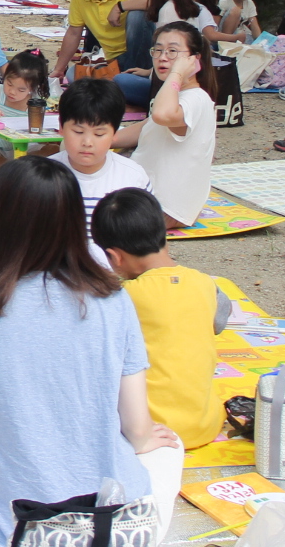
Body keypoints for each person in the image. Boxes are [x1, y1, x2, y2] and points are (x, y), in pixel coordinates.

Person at [0, 155, 178, 547]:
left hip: (21, 543)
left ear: (2, 220)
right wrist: (143, 441)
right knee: (166, 448)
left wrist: (10, 453)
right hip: (121, 537)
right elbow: (135, 423)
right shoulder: (113, 296)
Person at [91, 188, 223, 459]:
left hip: (150, 429)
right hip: (205, 424)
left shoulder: (123, 297)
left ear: (115, 257)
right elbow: (219, 322)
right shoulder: (205, 283)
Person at [117, 22, 219, 228]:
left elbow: (161, 116)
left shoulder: (196, 99)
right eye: (158, 50)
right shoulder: (177, 96)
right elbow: (144, 128)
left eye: (173, 51)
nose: (162, 57)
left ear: (194, 59)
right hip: (151, 200)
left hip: (163, 207)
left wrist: (177, 74)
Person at [111, 0, 216, 100]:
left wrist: (152, 75)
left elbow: (172, 60)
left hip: (173, 88)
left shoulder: (169, 10)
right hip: (179, 80)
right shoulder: (176, 4)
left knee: (120, 81)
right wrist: (148, 71)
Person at [58, 77, 152, 223]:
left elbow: (146, 238)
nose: (87, 142)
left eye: (99, 134)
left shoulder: (133, 178)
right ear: (61, 127)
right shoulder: (43, 177)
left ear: (114, 132)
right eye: (78, 131)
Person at [0, 50, 58, 171]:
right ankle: (12, 168)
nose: (12, 92)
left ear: (32, 88)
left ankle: (10, 166)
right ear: (5, 75)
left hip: (24, 147)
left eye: (21, 90)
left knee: (55, 149)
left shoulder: (35, 101)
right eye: (9, 84)